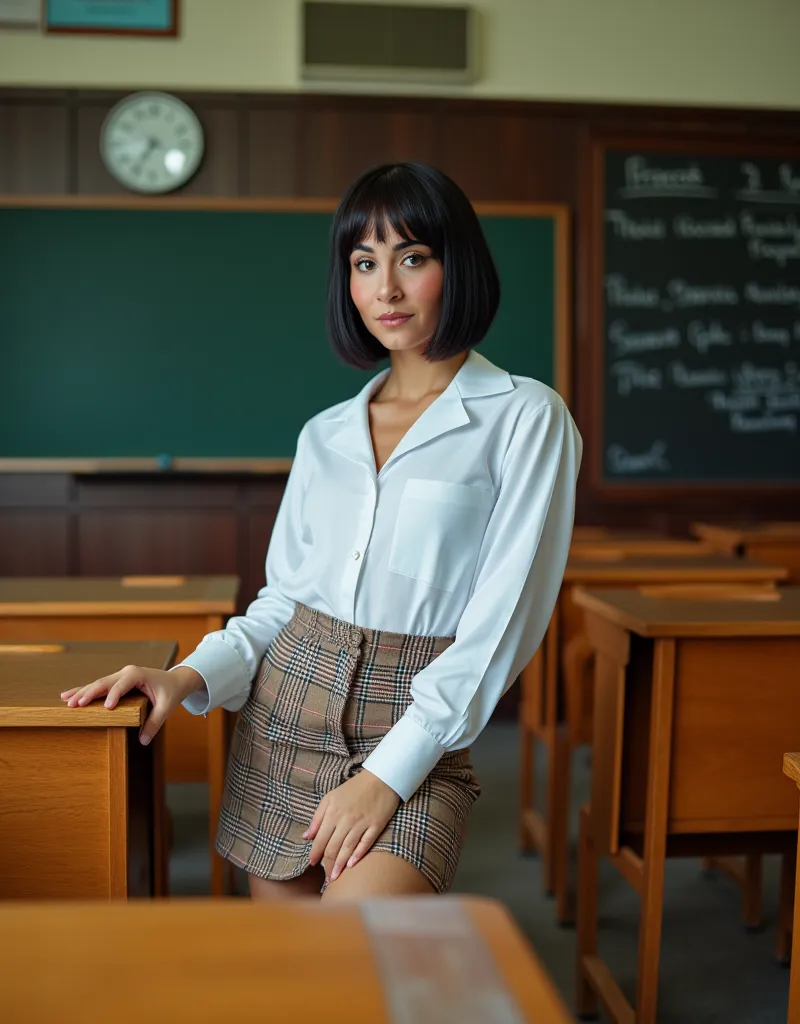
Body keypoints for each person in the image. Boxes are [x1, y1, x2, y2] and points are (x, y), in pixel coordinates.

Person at [61, 162, 582, 903]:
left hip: (416, 734)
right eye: (364, 263)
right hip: (281, 721)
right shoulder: (326, 434)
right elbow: (283, 606)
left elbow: (498, 632)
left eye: (413, 257)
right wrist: (185, 676)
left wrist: (381, 779)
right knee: (296, 983)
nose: (386, 289)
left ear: (455, 264)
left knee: (360, 955)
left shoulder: (527, 418)